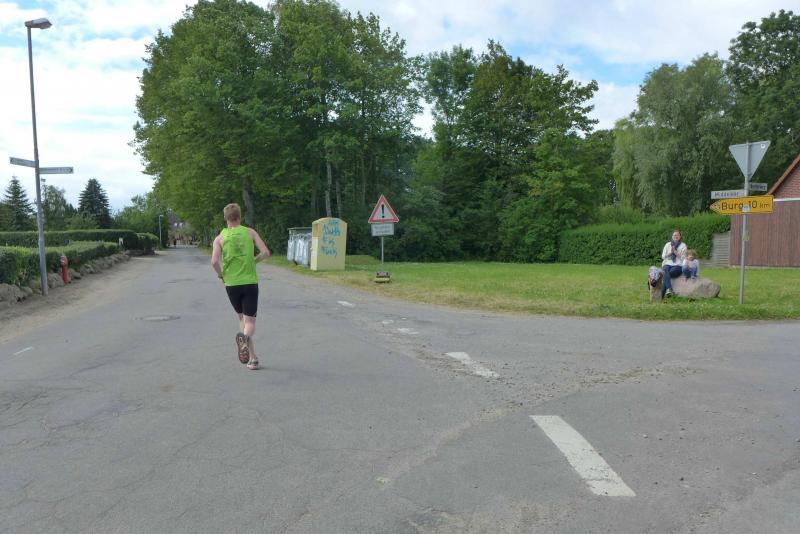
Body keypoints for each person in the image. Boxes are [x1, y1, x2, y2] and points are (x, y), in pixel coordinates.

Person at [211, 203, 271, 370]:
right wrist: (254, 261)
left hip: (231, 284)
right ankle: (244, 341)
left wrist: (221, 275)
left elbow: (214, 262)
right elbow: (266, 252)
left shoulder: (220, 238)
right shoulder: (250, 232)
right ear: (239, 216)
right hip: (249, 282)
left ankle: (253, 359)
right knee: (249, 321)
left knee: (242, 319)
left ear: (225, 218)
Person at [661, 229, 687, 298]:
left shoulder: (683, 245)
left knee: (666, 275)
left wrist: (676, 252)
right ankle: (669, 289)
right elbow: (663, 256)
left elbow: (684, 258)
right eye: (674, 235)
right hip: (667, 263)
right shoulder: (667, 244)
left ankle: (662, 296)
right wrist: (670, 253)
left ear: (680, 236)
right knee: (665, 271)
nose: (676, 236)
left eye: (677, 235)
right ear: (672, 236)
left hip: (678, 265)